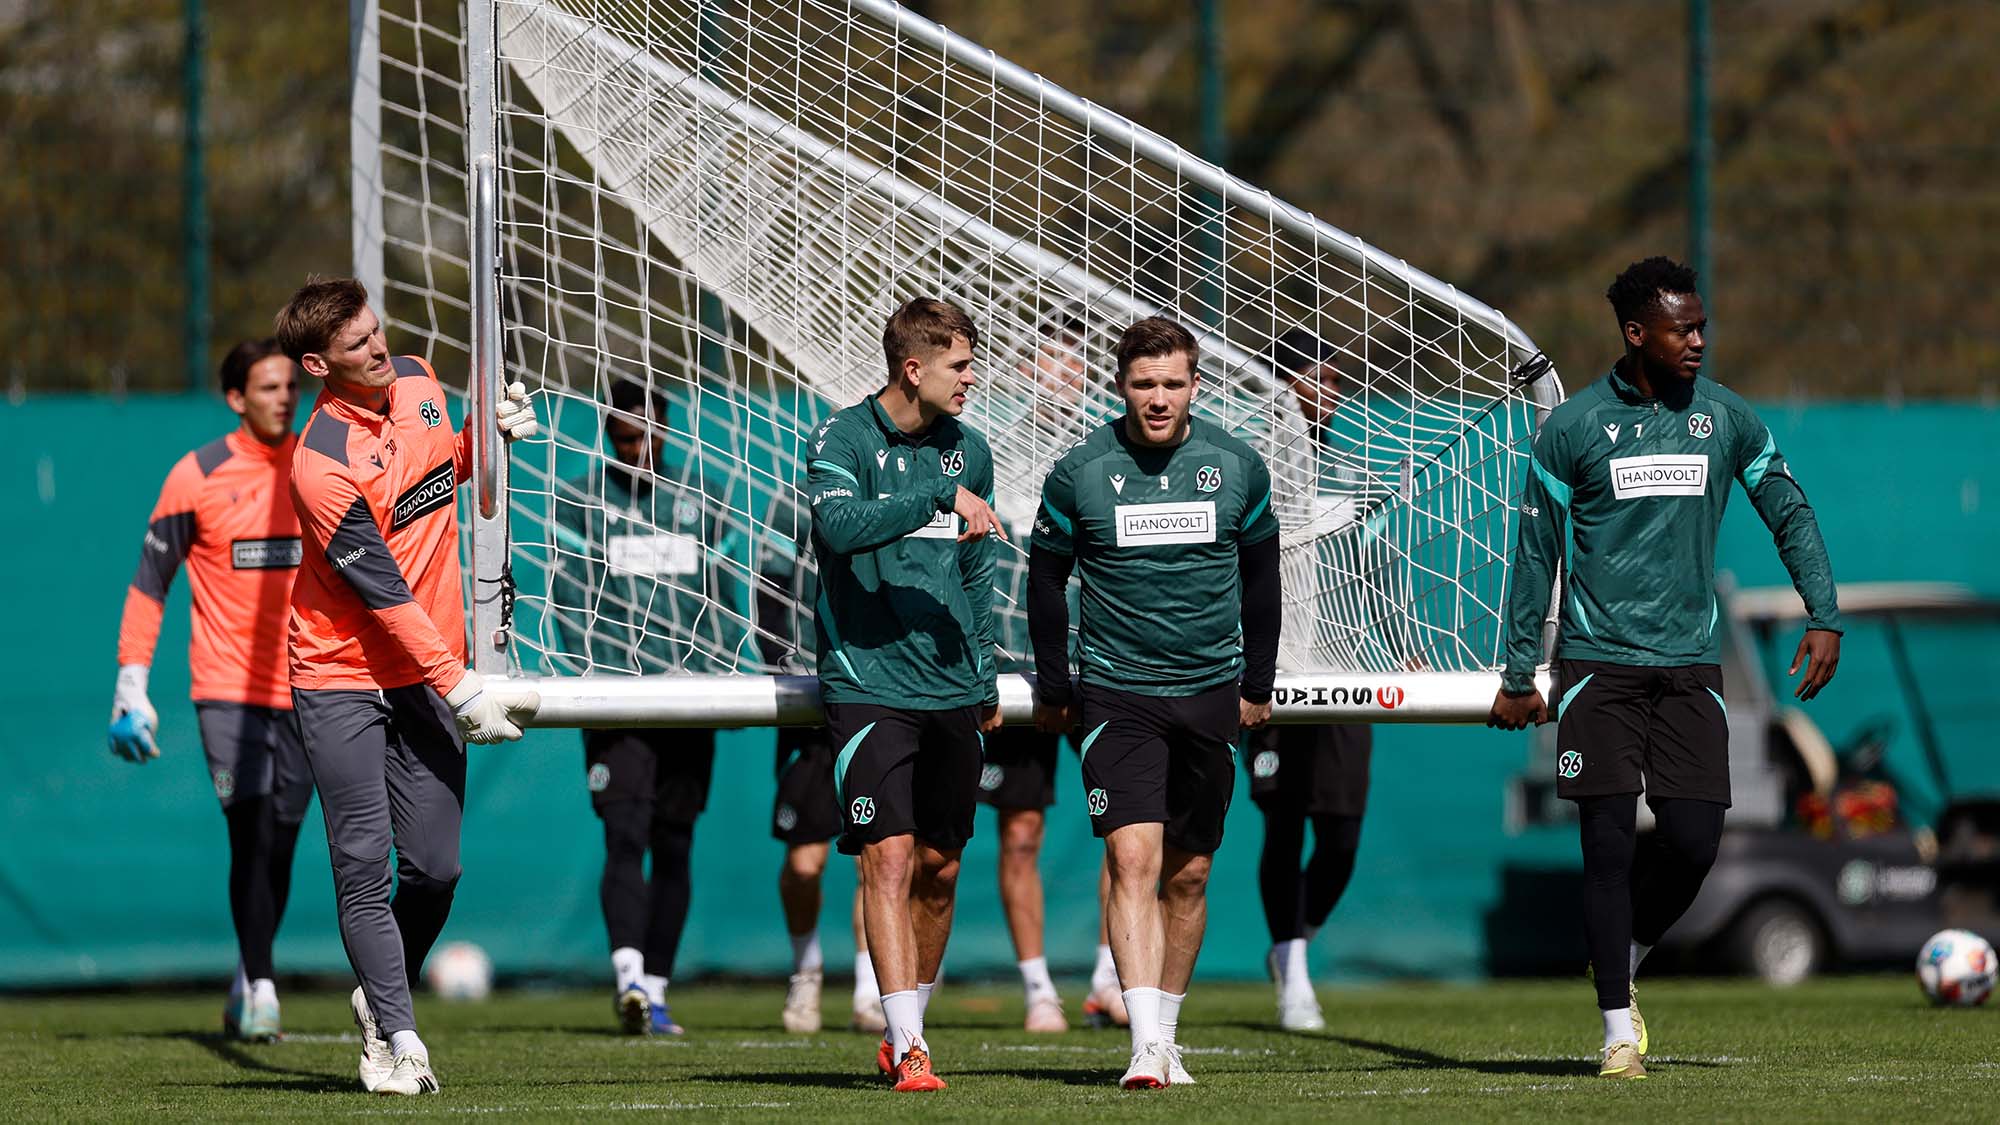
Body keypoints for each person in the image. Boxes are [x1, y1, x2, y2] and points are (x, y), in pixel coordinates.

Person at [1490, 256, 1842, 1080]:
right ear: (1635, 333)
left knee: (1692, 840)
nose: (1698, 340)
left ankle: (1624, 950)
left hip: (1689, 668)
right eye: (1683, 328)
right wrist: (1518, 670)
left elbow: (1787, 506)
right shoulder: (1571, 429)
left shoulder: (1726, 419)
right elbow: (1534, 552)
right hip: (1595, 669)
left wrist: (1822, 610)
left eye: (1702, 326)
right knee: (1606, 846)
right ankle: (1618, 1026)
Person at [279, 277, 541, 1095]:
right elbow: (384, 591)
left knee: (436, 869)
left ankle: (377, 993)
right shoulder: (318, 465)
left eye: (376, 330)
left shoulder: (422, 383)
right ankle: (399, 1039)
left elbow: (436, 477)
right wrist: (460, 685)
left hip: (425, 671)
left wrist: (483, 439)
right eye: (357, 345)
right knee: (362, 867)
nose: (379, 347)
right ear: (320, 364)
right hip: (339, 676)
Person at [1028, 316, 1283, 1089]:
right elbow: (1044, 580)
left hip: (1210, 691)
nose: (1159, 398)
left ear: (1195, 386)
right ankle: (1143, 1044)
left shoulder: (1238, 466)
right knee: (1131, 856)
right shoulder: (1078, 471)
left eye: (1173, 383)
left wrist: (1258, 683)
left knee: (1191, 872)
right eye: (1145, 383)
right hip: (1117, 691)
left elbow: (1263, 578)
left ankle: (1166, 1035)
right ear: (1121, 387)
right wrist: (1053, 684)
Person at [807, 297, 1002, 1091]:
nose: (971, 379)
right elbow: (838, 528)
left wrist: (984, 666)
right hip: (867, 682)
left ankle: (905, 1024)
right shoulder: (841, 437)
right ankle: (910, 1042)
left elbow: (978, 568)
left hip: (954, 685)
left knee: (941, 867)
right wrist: (932, 498)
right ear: (912, 368)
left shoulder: (973, 450)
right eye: (959, 364)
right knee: (885, 859)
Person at [109, 338, 310, 1041]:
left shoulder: (317, 465)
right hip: (226, 692)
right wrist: (130, 684)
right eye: (267, 387)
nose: (284, 397)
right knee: (249, 834)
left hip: (312, 690)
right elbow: (149, 584)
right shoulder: (196, 474)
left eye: (290, 384)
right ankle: (261, 984)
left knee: (281, 846)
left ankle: (246, 968)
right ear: (235, 398)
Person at [549, 379, 746, 1036]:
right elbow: (569, 600)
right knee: (624, 833)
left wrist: (720, 681)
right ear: (609, 438)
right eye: (625, 437)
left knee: (675, 840)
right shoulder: (579, 502)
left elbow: (726, 599)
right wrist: (595, 684)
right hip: (618, 700)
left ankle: (655, 988)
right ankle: (629, 974)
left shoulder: (706, 497)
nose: (638, 448)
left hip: (690, 700)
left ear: (669, 431)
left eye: (650, 434)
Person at [1246, 330, 1374, 1033]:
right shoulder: (1247, 467)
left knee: (1342, 836)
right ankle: (1294, 974)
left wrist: (1398, 640)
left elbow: (1372, 563)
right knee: (1282, 821)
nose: (1326, 392)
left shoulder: (1352, 467)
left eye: (1334, 380)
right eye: (1312, 378)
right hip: (1271, 673)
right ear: (1279, 386)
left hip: (1347, 668)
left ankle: (1298, 936)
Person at [756, 482, 884, 1036]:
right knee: (804, 861)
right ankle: (805, 970)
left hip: (880, 692)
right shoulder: (796, 500)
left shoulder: (903, 489)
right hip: (815, 694)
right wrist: (785, 661)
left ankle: (869, 988)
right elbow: (770, 586)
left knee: (877, 857)